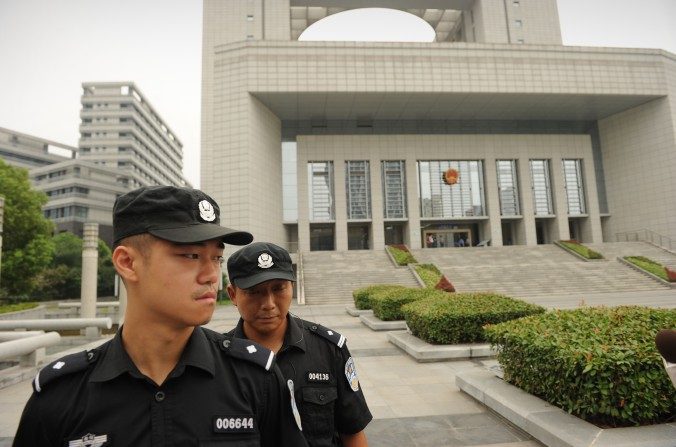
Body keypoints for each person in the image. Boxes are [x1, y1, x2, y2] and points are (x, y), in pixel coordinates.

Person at [13, 186, 307, 447]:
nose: (211, 275)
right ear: (127, 262)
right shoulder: (61, 396)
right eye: (191, 256)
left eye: (216, 258)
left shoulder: (254, 378)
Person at [226, 242, 372, 447]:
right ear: (233, 295)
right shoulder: (220, 358)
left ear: (291, 287)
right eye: (254, 291)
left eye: (278, 288)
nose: (268, 303)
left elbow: (352, 431)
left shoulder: (328, 349)